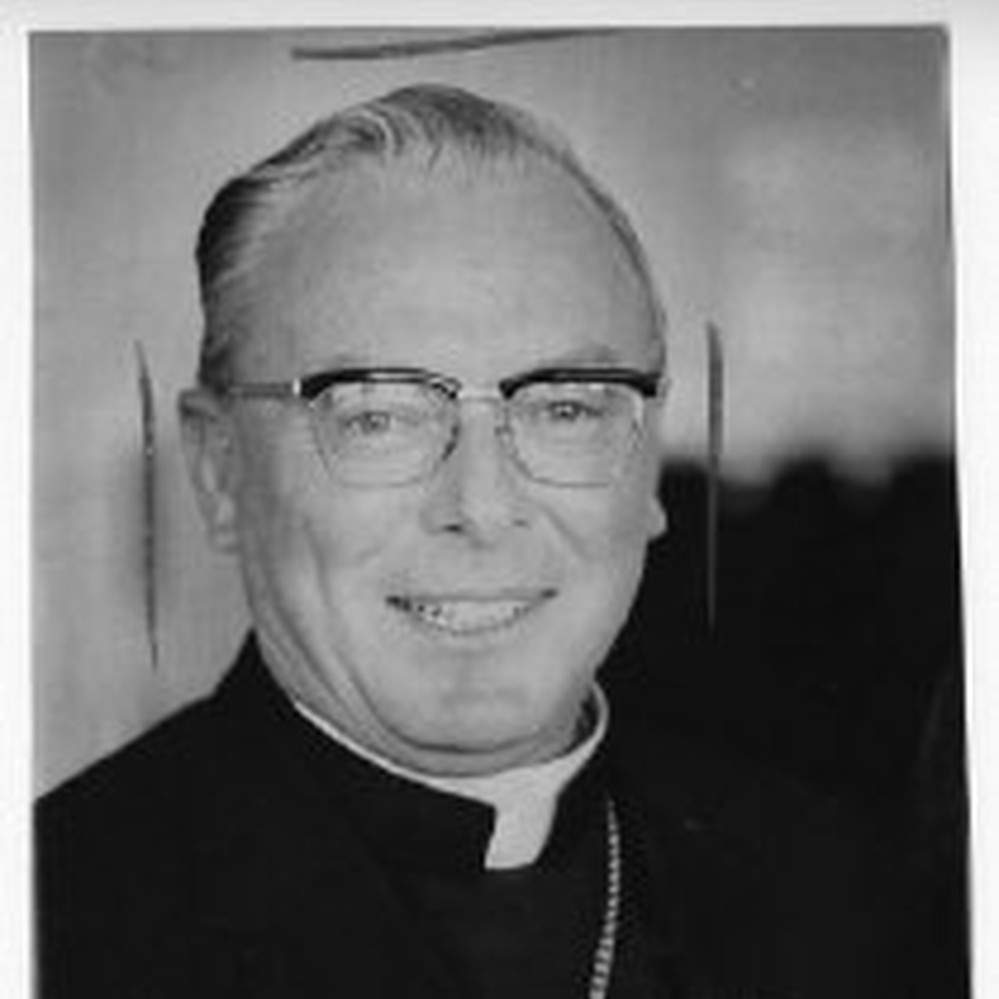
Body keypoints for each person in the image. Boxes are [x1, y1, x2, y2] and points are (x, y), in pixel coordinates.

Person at [37, 84, 918, 998]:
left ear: (651, 468)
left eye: (565, 407)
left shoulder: (835, 895)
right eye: (377, 415)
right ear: (220, 470)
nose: (483, 505)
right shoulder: (52, 920)